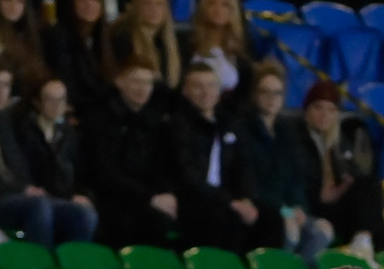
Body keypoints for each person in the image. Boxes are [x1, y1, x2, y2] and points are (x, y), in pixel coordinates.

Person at [0, 58, 99, 249]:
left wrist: (57, 194)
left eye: (6, 85)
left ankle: (68, 266)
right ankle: (38, 265)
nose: (1, 92)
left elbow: (20, 167)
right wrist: (20, 189)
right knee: (38, 206)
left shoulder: (4, 121)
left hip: (16, 195)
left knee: (83, 213)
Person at [83, 62, 183, 248]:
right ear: (120, 83)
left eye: (148, 83)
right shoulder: (100, 119)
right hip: (110, 197)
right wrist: (149, 196)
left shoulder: (154, 122)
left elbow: (160, 166)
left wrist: (165, 193)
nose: (143, 88)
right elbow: (104, 171)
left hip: (142, 195)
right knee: (144, 223)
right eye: (136, 82)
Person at [237, 61, 331, 258]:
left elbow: (295, 177)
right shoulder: (243, 130)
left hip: (287, 207)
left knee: (323, 230)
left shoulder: (287, 131)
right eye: (265, 92)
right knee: (288, 230)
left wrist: (298, 207)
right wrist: (283, 210)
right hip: (264, 208)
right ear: (255, 94)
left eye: (277, 93)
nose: (272, 99)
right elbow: (250, 181)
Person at [294, 80, 384, 260]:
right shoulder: (296, 140)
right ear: (307, 110)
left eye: (331, 110)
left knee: (368, 186)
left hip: (333, 208)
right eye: (318, 108)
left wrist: (342, 188)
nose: (324, 115)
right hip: (310, 208)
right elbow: (299, 183)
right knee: (368, 211)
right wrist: (324, 195)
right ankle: (371, 252)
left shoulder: (339, 142)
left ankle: (366, 244)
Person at [172, 60, 259, 253]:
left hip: (227, 198)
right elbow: (188, 176)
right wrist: (229, 201)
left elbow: (244, 166)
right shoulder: (179, 125)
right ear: (185, 90)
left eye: (211, 85)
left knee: (270, 220)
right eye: (198, 86)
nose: (206, 92)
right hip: (193, 199)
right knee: (221, 217)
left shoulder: (230, 124)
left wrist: (246, 198)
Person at [11, 76, 89, 213]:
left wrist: (81, 194)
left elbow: (79, 168)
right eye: (50, 100)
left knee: (86, 211)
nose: (57, 105)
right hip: (38, 196)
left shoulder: (69, 133)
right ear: (37, 102)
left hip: (66, 196)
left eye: (61, 99)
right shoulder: (25, 132)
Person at [42, 0, 112, 119]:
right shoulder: (59, 37)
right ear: (71, 3)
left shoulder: (103, 39)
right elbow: (67, 82)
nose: (89, 4)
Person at [108, 0, 184, 95]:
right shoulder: (122, 38)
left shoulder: (166, 43)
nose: (154, 9)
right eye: (147, 3)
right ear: (137, 7)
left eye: (159, 4)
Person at [183, 0, 253, 99]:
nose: (218, 9)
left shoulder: (244, 47)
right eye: (212, 4)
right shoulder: (188, 42)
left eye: (225, 5)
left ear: (233, 10)